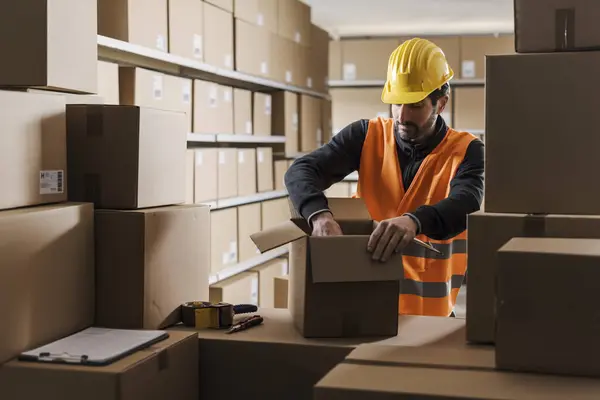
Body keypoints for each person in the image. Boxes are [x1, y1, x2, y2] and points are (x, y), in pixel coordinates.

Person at [284, 38, 484, 317]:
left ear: (441, 104)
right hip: (366, 306)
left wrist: (415, 221)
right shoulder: (365, 136)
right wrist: (319, 216)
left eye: (414, 104)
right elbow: (301, 170)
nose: (402, 116)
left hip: (430, 317)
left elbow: (466, 203)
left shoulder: (467, 150)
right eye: (396, 103)